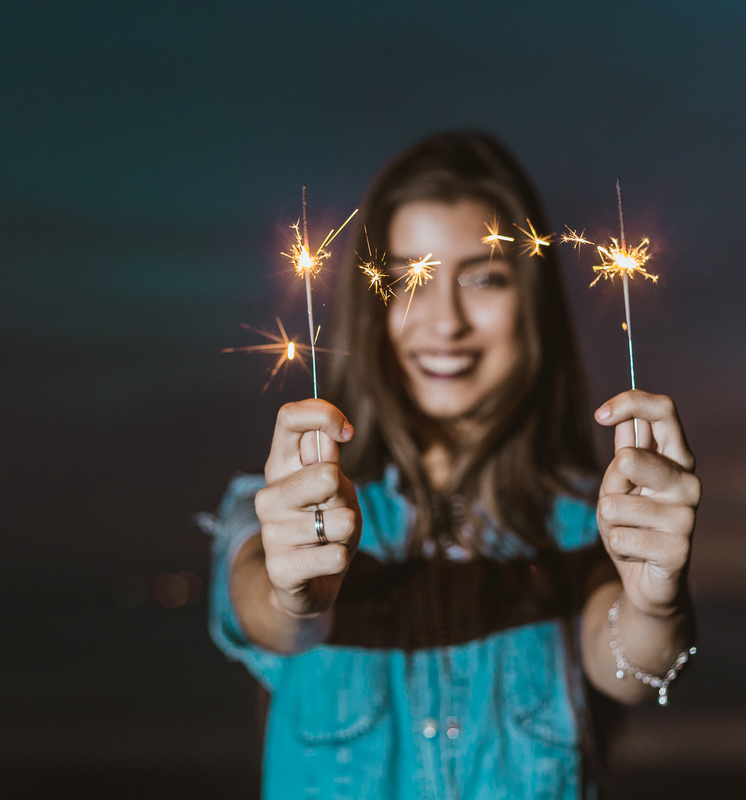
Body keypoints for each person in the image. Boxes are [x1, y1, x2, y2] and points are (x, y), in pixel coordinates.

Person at [204, 132, 699, 799]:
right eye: (409, 278)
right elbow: (260, 609)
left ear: (533, 299)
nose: (444, 320)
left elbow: (629, 666)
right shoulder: (284, 501)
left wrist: (655, 601)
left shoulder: (592, 516)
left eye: (484, 276)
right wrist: (293, 593)